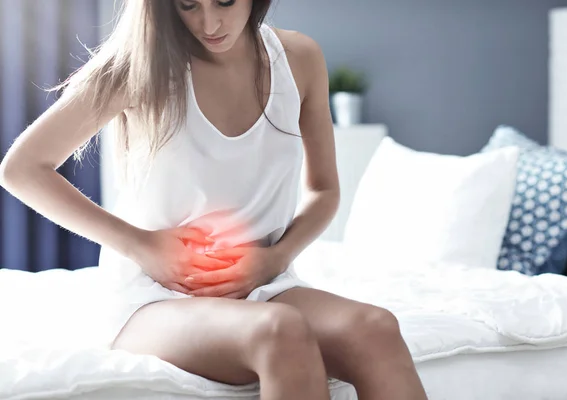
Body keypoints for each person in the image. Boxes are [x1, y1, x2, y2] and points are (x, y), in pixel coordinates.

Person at [0, 0, 427, 399]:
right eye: (189, 3)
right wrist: (143, 247)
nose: (209, 23)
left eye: (224, 0)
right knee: (279, 331)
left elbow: (324, 191)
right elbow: (21, 169)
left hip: (263, 283)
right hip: (153, 299)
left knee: (377, 328)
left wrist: (277, 258)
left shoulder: (299, 60)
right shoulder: (138, 66)